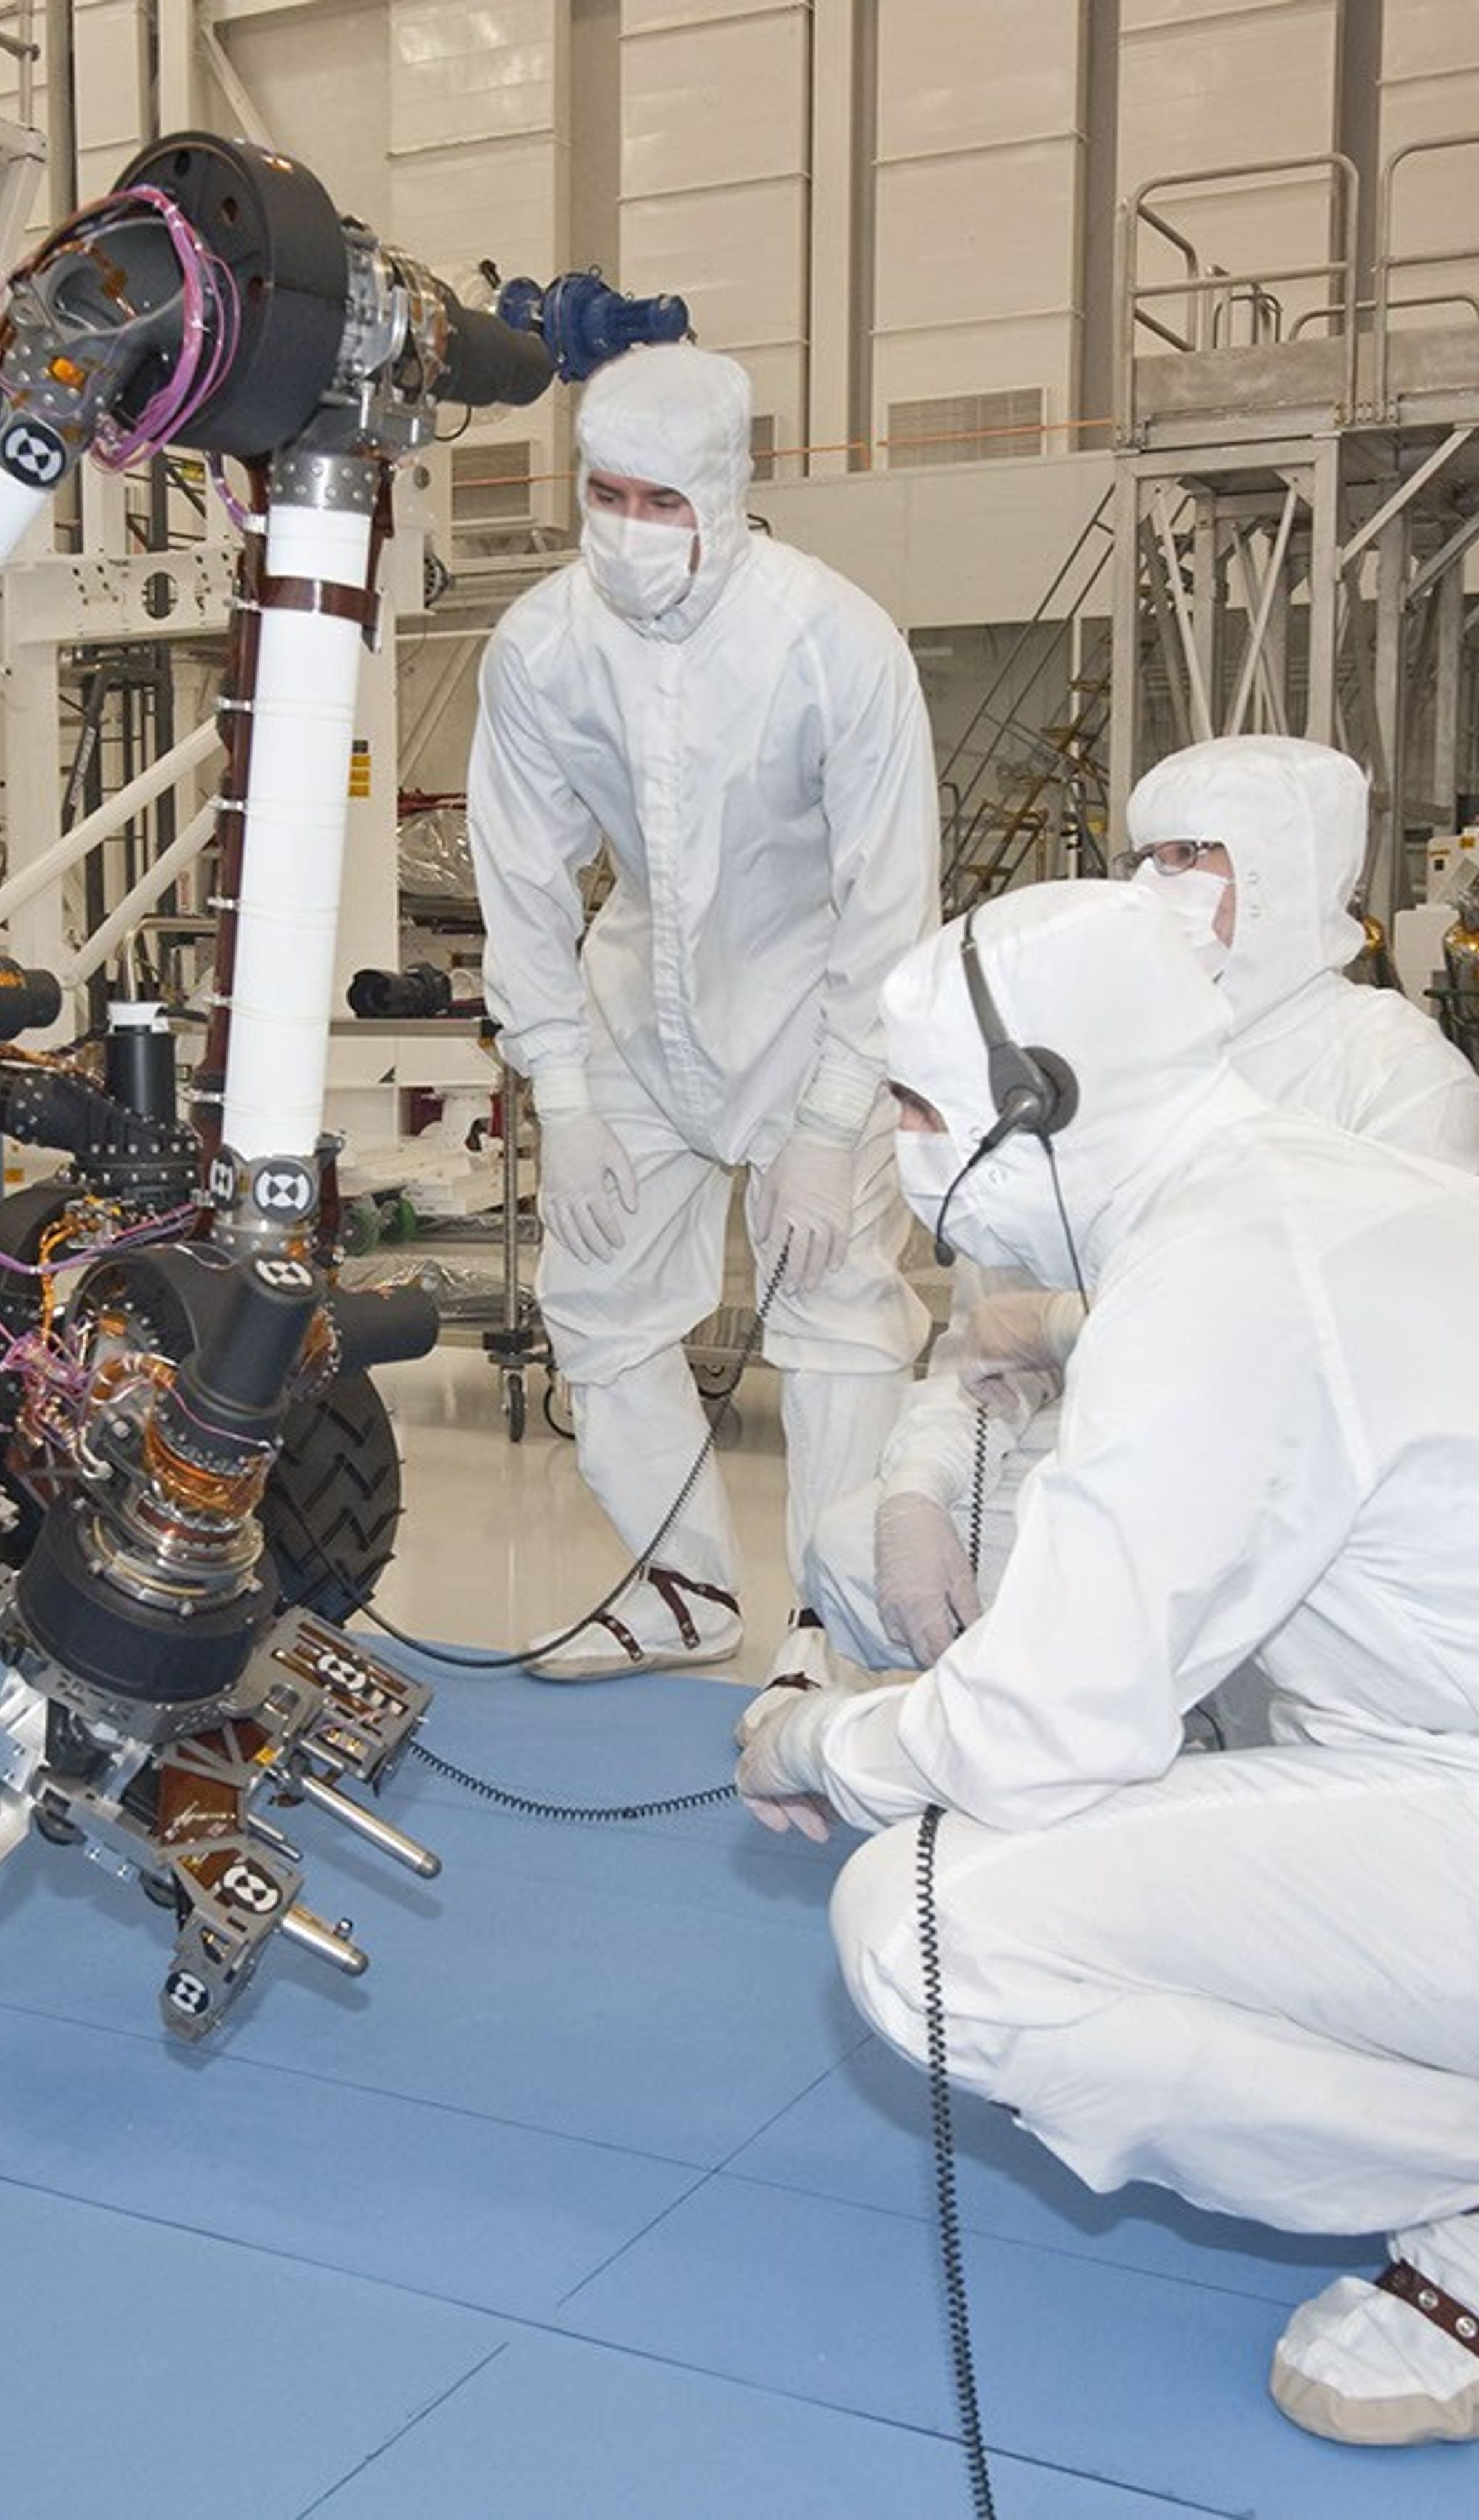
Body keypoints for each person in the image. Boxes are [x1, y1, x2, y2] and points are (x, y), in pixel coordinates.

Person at [734, 881, 1479, 2445]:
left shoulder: (1220, 1280)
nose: (905, 1149)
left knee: (925, 1921)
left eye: (918, 1107)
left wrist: (807, 1741)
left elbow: (1041, 1732)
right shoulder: (1345, 1201)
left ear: (1032, 1098)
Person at [826, 736, 1479, 1675]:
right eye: (1140, 860)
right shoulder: (1081, 1062)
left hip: (1311, 1491)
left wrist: (1070, 1323)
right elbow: (981, 1346)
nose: (1152, 884)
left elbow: (1392, 1349)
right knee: (852, 1555)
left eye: (1187, 856)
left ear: (1282, 872)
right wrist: (919, 1491)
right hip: (1106, 1455)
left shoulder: (1392, 1073)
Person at [470, 342, 936, 1680]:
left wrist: (834, 1116)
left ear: (727, 493)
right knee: (598, 1300)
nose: (628, 532)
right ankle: (685, 1591)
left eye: (662, 502)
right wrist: (559, 1096)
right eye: (605, 496)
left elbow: (886, 896)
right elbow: (521, 877)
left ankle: (832, 1624)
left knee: (839, 1316)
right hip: (631, 1017)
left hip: (816, 1017)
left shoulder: (832, 640)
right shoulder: (542, 647)